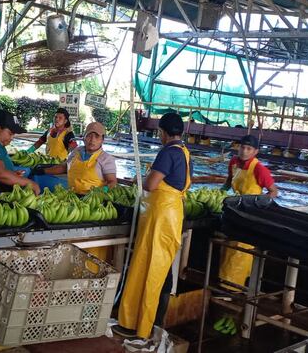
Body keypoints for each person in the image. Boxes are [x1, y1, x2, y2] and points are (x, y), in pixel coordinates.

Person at [113, 113, 192, 341]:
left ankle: (137, 325)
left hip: (160, 217)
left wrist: (144, 179)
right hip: (172, 215)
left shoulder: (168, 152)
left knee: (146, 270)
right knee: (156, 271)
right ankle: (141, 324)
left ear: (163, 132)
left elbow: (151, 184)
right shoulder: (185, 152)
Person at [219, 134, 278, 289]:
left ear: (255, 151)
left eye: (249, 149)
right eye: (242, 147)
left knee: (242, 249)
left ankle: (234, 287)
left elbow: (273, 191)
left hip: (250, 214)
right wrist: (221, 192)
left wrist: (259, 204)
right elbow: (229, 180)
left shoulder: (259, 169)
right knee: (229, 246)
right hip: (235, 211)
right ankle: (224, 282)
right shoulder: (233, 162)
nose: (244, 151)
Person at [33, 122, 117, 194]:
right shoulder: (77, 151)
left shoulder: (106, 159)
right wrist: (43, 171)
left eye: (97, 136)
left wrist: (103, 190)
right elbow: (64, 167)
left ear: (102, 140)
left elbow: (112, 182)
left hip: (92, 200)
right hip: (71, 196)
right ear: (84, 138)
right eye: (89, 136)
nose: (92, 140)